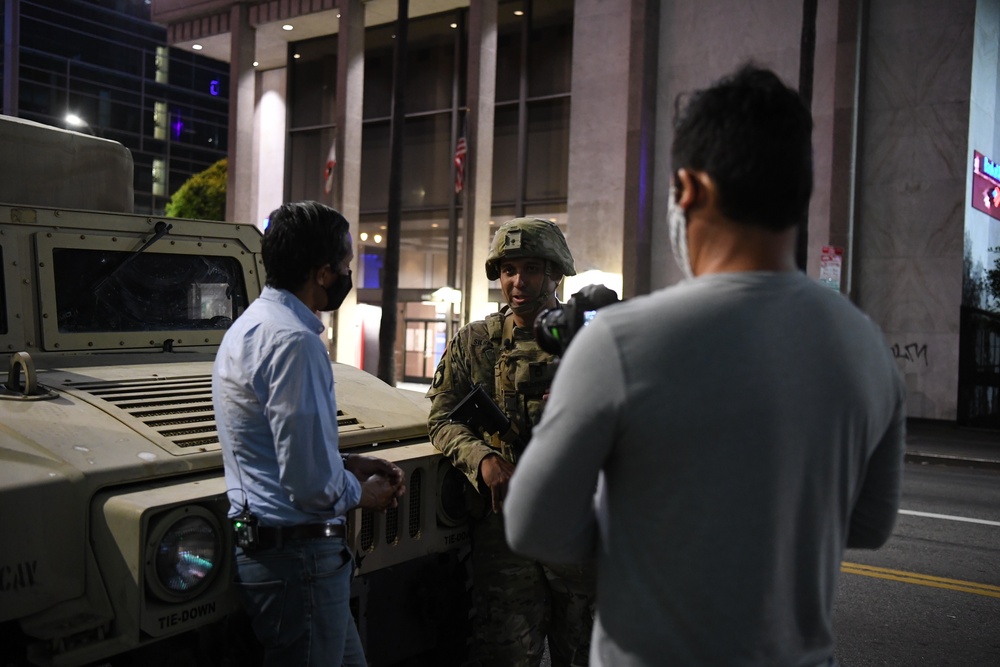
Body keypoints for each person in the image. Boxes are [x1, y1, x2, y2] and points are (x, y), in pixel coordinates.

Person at [504, 65, 907, 666]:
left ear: (688, 190)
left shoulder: (619, 343)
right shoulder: (867, 346)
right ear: (798, 193)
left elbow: (533, 523)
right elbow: (870, 525)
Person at [213, 200, 405, 667]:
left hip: (273, 553)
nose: (347, 274)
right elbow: (310, 484)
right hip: (300, 561)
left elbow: (277, 450)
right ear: (322, 273)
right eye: (345, 264)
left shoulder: (251, 327)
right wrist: (362, 492)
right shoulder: (294, 342)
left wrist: (345, 465)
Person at [426, 217, 597, 667]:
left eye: (533, 269)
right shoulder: (475, 343)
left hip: (578, 529)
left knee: (582, 652)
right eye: (508, 269)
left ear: (556, 272)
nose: (518, 282)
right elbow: (441, 417)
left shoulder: (591, 339)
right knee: (505, 652)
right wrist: (482, 458)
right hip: (505, 532)